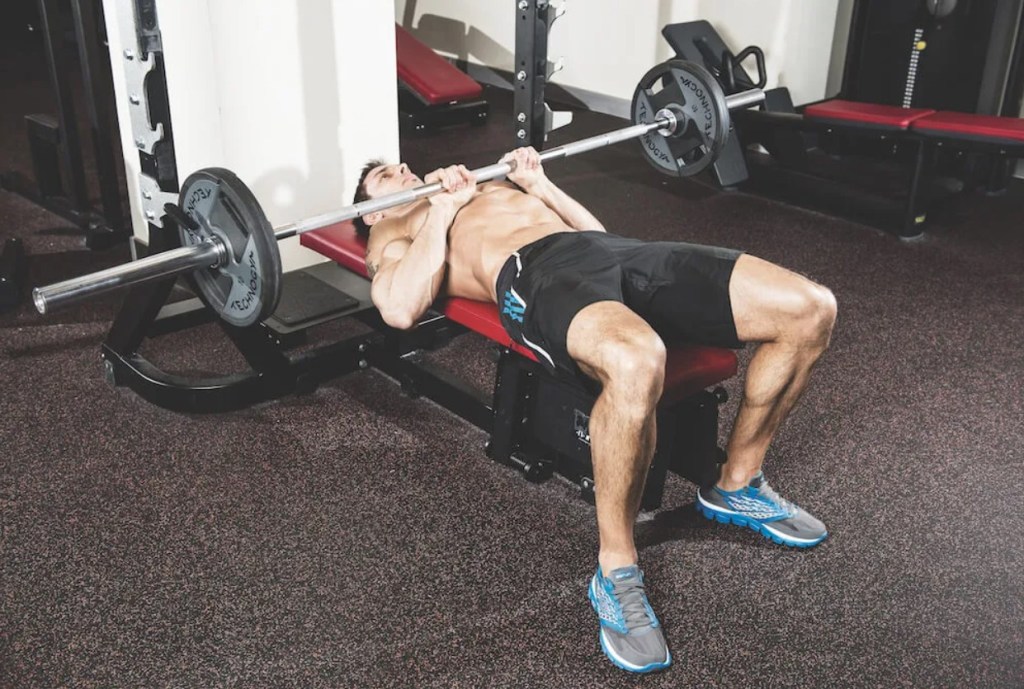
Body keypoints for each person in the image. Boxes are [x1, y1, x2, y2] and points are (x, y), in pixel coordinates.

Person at [354, 147, 837, 674]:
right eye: (385, 176)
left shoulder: (487, 185)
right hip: (534, 277)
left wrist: (539, 186)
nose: (404, 171)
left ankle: (737, 484)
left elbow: (596, 232)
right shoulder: (395, 232)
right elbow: (399, 308)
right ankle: (616, 569)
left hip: (614, 251)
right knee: (637, 360)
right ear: (372, 212)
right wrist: (444, 209)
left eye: (402, 166)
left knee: (811, 308)